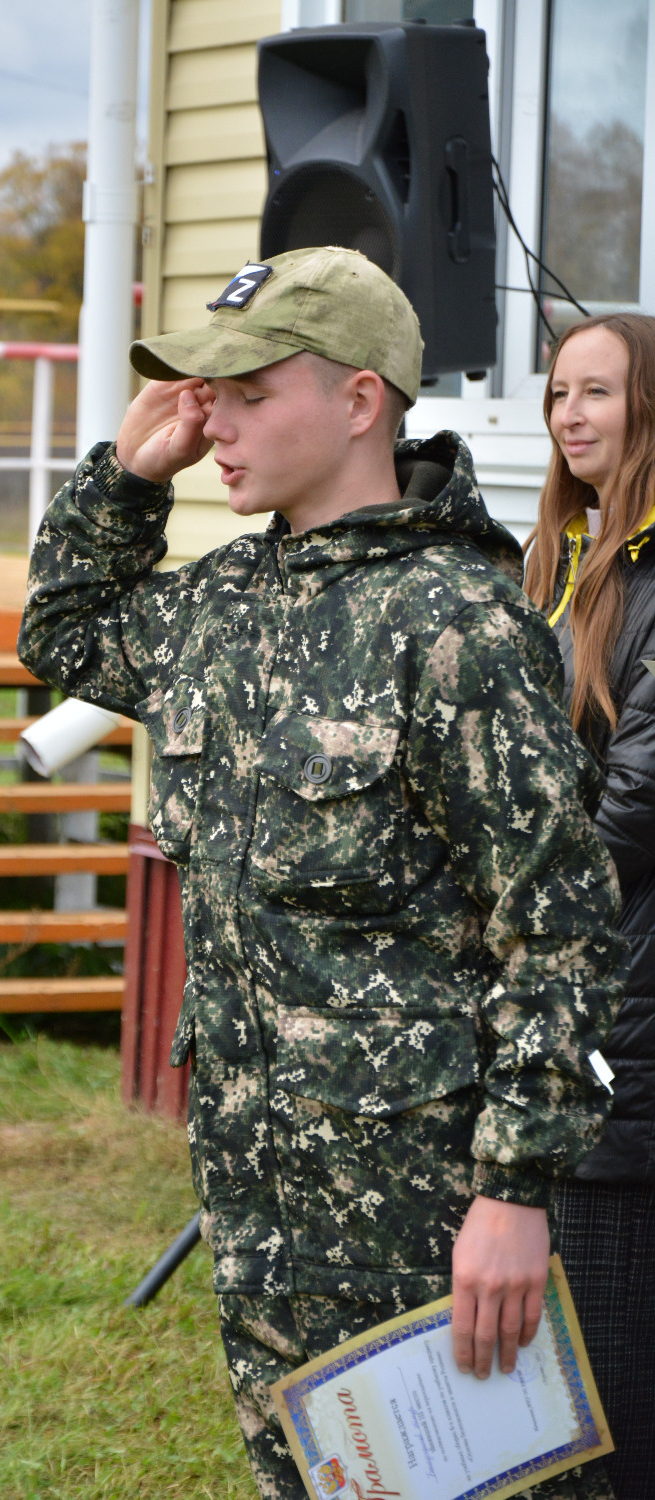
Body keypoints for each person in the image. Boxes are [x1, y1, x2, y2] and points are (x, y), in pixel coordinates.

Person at [18, 246, 626, 1500]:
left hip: (419, 1209)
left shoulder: (455, 622)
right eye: (207, 395)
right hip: (258, 1193)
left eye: (249, 393)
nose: (216, 425)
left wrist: (512, 1195)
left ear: (358, 402)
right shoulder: (225, 602)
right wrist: (130, 475)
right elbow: (63, 631)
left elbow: (556, 924)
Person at [524, 312, 655, 1500]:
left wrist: (510, 907)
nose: (569, 414)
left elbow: (634, 804)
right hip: (569, 987)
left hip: (623, 1004)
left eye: (597, 392)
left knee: (609, 1378)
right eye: (559, 391)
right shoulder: (565, 560)